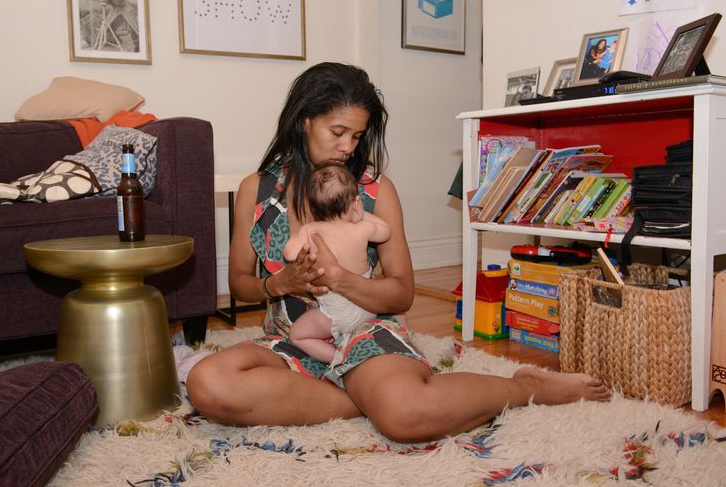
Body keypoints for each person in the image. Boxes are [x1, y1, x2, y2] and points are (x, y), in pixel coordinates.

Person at [187, 62, 611, 443]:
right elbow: (239, 283)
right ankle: (367, 401)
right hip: (295, 342)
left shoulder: (373, 191)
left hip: (365, 331)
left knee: (407, 414)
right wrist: (279, 283)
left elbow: (402, 294)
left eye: (356, 135)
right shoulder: (256, 190)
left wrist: (341, 279)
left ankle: (524, 386)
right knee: (208, 383)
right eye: (337, 133)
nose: (348, 147)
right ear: (303, 122)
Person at [284, 162, 404, 363]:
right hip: (369, 304)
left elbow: (289, 253)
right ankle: (405, 336)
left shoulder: (311, 230)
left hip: (336, 313)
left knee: (298, 335)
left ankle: (339, 358)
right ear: (355, 202)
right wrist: (361, 214)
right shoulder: (362, 228)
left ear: (313, 207)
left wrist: (301, 234)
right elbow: (385, 231)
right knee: (398, 306)